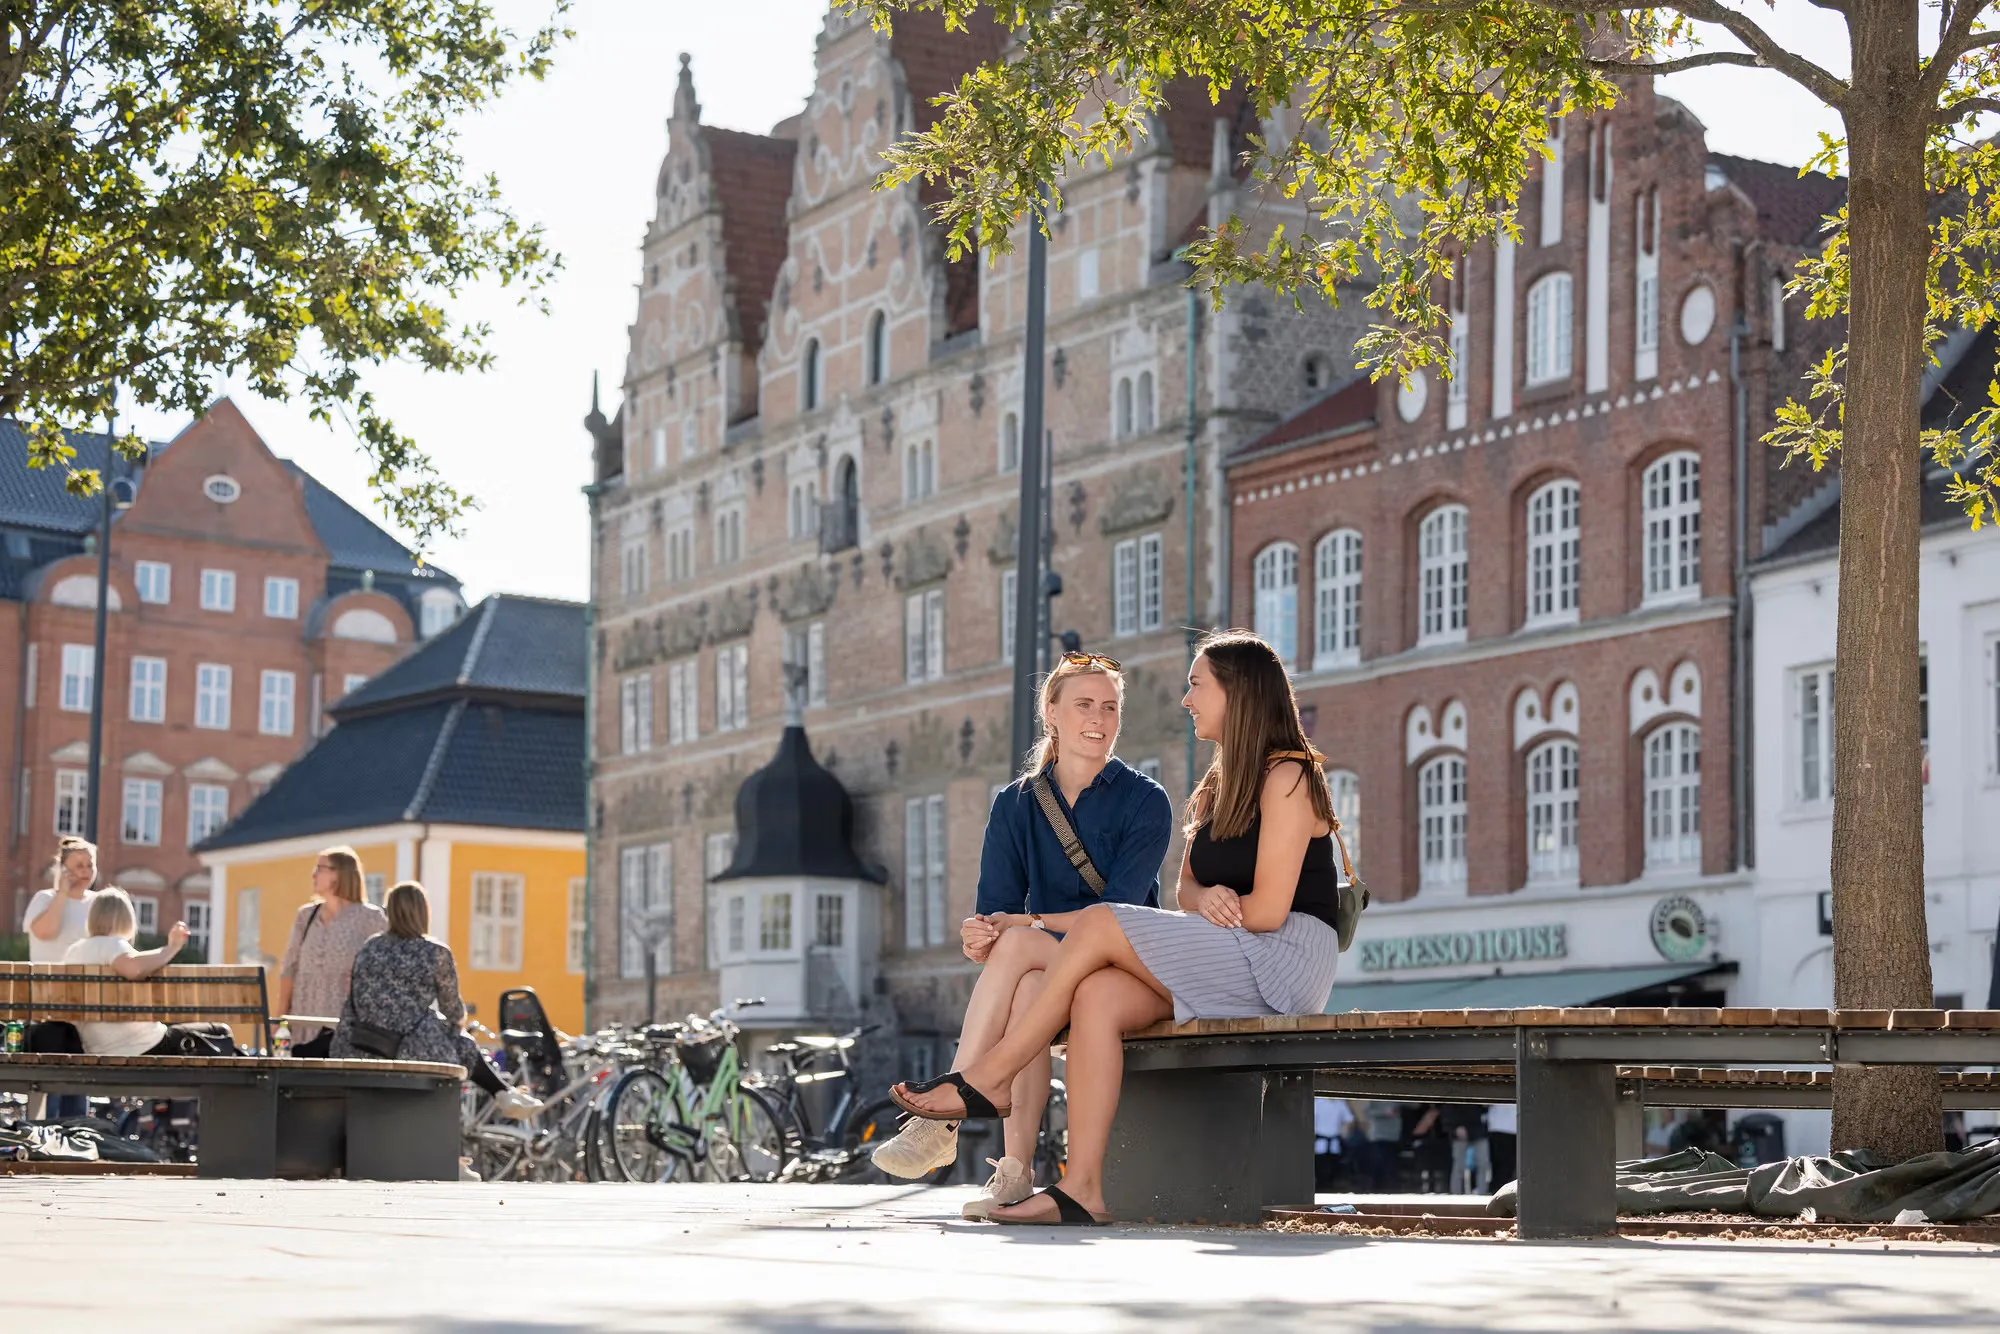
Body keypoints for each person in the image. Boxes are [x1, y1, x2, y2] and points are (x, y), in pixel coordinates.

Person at [891, 629, 1355, 1225]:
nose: (1186, 700)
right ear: (1052, 714)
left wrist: (1219, 904)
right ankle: (1082, 1189)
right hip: (1229, 951)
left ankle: (987, 1077)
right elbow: (1187, 891)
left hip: (1283, 958)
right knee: (1096, 997)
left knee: (1102, 920)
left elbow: (1266, 912)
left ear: (1237, 693)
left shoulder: (1286, 775)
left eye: (1196, 685)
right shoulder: (1218, 783)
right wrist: (1207, 894)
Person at [870, 651, 1172, 1220]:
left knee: (1022, 950)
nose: (1099, 718)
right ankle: (1013, 1174)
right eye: (1084, 704)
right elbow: (998, 912)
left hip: (1126, 963)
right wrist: (978, 935)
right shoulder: (1015, 805)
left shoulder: (1145, 800)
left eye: (1110, 707)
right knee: (1029, 981)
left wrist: (1023, 926)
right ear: (1051, 711)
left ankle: (946, 1115)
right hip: (1047, 965)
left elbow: (1121, 912)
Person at [330, 881, 542, 1120]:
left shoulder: (369, 948)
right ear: (423, 912)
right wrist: (455, 1025)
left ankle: (504, 1093)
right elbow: (452, 1011)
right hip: (407, 1051)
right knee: (461, 1041)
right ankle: (502, 1094)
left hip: (358, 1045)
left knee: (449, 1034)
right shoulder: (435, 952)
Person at [61, 889, 236, 1055]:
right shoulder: (113, 945)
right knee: (220, 1032)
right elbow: (134, 969)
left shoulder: (73, 952)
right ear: (125, 919)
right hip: (146, 1045)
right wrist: (171, 948)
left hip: (98, 1049)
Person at [274, 846, 388, 1058]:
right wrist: (280, 1020)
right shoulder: (306, 915)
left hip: (344, 1027)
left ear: (339, 874)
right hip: (303, 1023)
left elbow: (385, 972)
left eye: (320, 868)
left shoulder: (371, 919)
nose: (313, 874)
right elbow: (289, 969)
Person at [22, 837, 101, 1118]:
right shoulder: (45, 898)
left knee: (77, 1089)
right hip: (47, 1006)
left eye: (89, 864)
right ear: (62, 869)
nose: (85, 871)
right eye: (78, 865)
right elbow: (45, 932)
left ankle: (74, 1145)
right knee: (50, 1088)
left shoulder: (98, 904)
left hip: (83, 1008)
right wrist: (62, 894)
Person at [1313, 1096, 1355, 1193]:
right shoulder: (1318, 1103)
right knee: (1320, 1171)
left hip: (1334, 1143)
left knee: (1333, 1172)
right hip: (1320, 1143)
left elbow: (1349, 1120)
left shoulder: (1340, 1103)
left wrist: (1344, 1134)